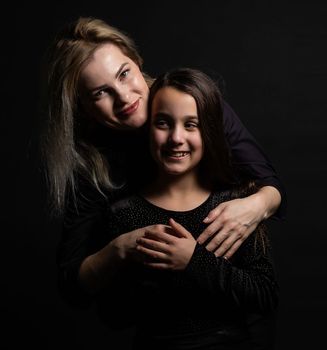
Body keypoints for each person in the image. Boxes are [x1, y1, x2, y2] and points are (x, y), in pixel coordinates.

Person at [39, 17, 286, 308]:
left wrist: (255, 205)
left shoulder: (194, 101)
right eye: (100, 93)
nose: (123, 97)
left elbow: (268, 183)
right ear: (83, 107)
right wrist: (121, 249)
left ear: (137, 60)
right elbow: (72, 282)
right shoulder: (92, 168)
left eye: (124, 74)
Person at [94, 67, 278, 349]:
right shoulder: (123, 214)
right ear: (148, 128)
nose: (176, 138)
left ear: (209, 132)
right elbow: (113, 317)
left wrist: (194, 260)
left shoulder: (236, 207)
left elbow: (265, 296)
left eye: (191, 125)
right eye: (163, 123)